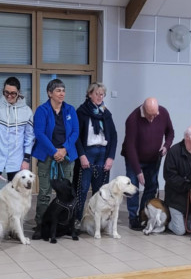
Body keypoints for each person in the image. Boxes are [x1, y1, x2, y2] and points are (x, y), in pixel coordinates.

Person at [31, 78, 79, 239]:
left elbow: (75, 132)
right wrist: (54, 151)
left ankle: (65, 224)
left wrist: (64, 149)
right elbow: (39, 133)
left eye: (63, 90)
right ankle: (41, 225)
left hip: (66, 155)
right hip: (47, 156)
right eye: (58, 90)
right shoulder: (42, 110)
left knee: (67, 194)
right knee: (44, 193)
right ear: (49, 93)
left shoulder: (70, 110)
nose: (62, 93)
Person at [120, 97, 175, 230]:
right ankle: (132, 217)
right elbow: (130, 147)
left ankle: (143, 214)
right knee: (133, 188)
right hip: (134, 159)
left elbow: (170, 132)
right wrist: (138, 171)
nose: (152, 118)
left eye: (155, 115)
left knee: (151, 186)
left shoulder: (163, 113)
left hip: (153, 158)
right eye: (149, 115)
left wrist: (166, 146)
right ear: (143, 109)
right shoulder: (132, 119)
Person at [0, 76, 34, 196]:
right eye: (6, 92)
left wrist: (26, 159)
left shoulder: (27, 111)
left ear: (19, 92)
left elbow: (29, 137)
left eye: (13, 93)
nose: (9, 96)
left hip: (16, 159)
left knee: (16, 196)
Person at [74, 83, 117, 222]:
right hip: (88, 153)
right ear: (89, 94)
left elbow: (113, 136)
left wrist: (111, 157)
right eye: (97, 94)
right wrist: (82, 155)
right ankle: (77, 220)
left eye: (102, 94)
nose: (99, 97)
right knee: (82, 189)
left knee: (101, 190)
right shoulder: (82, 111)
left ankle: (97, 222)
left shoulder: (106, 113)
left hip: (103, 153)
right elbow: (76, 136)